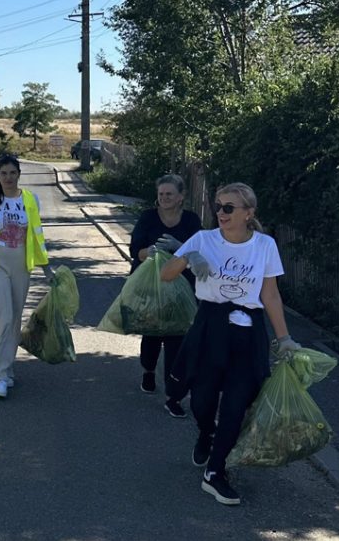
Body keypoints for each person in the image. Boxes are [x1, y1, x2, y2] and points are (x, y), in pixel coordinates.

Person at [161, 182, 301, 506]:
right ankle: (206, 432)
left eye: (229, 208)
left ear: (248, 213)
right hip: (210, 326)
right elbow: (166, 275)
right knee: (202, 401)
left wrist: (285, 338)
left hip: (249, 332)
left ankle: (215, 471)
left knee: (237, 404)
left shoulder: (265, 245)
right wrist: (188, 258)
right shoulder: (203, 239)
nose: (221, 213)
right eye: (218, 207)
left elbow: (270, 295)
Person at [0, 153, 52, 399]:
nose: (8, 177)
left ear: (19, 174)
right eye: (3, 173)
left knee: (15, 317)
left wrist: (46, 268)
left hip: (21, 265)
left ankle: (6, 370)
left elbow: (37, 236)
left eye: (12, 173)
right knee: (4, 315)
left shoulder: (30, 199)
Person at [129, 174, 201, 418]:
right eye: (161, 194)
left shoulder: (191, 220)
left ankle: (173, 396)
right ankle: (148, 370)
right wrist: (148, 251)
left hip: (181, 290)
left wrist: (178, 245)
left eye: (169, 194)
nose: (164, 198)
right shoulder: (148, 218)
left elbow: (199, 252)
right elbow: (134, 250)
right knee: (151, 336)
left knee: (176, 341)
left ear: (181, 197)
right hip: (151, 287)